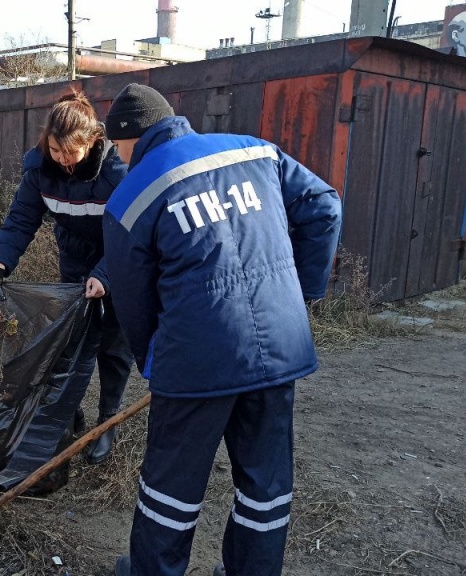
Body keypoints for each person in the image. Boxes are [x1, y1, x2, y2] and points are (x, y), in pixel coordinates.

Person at [100, 84, 342, 576]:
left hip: (195, 362)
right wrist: (305, 294)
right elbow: (325, 207)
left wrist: (155, 359)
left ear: (130, 138)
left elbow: (133, 299)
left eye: (117, 148)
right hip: (280, 347)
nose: (119, 158)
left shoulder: (131, 196)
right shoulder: (256, 150)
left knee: (170, 487)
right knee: (264, 483)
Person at [0, 91, 133, 465]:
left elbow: (132, 231)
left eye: (70, 154)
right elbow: (20, 220)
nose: (62, 161)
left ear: (92, 141)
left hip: (120, 263)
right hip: (75, 262)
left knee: (113, 347)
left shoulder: (116, 174)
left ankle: (106, 424)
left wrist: (104, 275)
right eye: (55, 151)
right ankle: (68, 411)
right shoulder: (39, 170)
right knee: (68, 342)